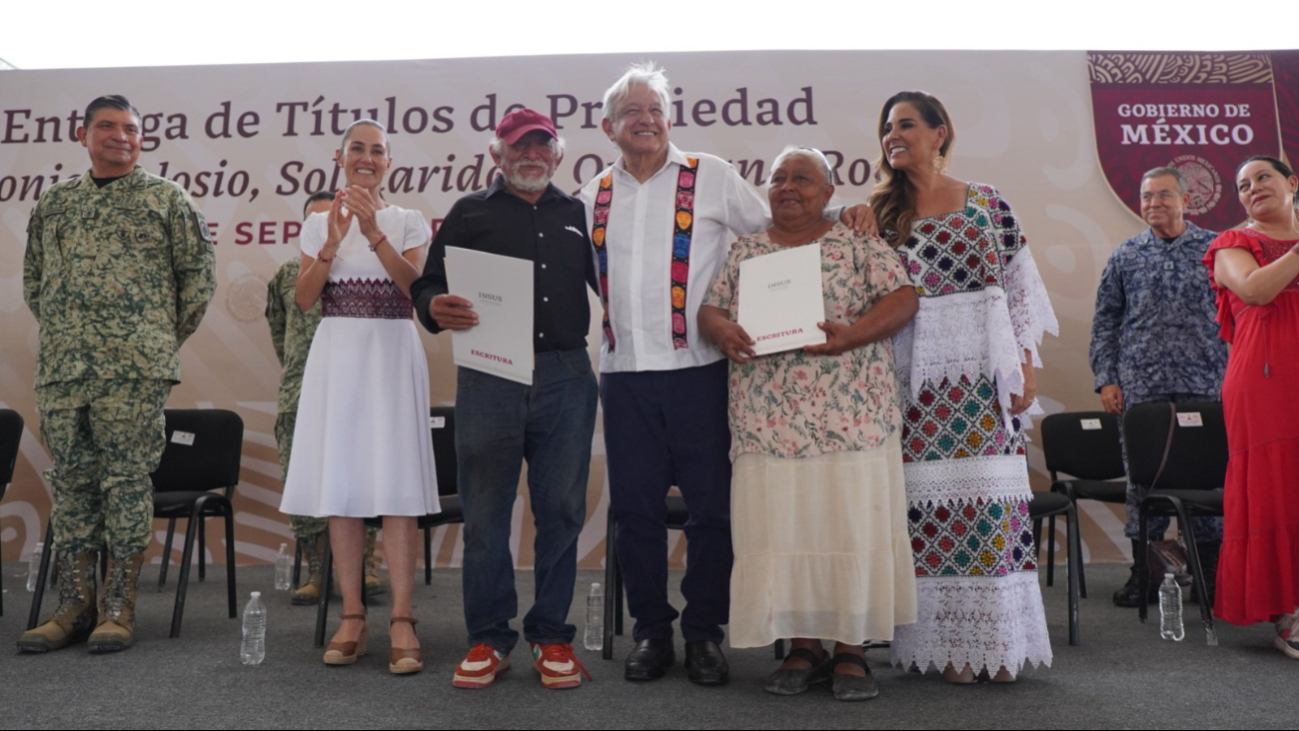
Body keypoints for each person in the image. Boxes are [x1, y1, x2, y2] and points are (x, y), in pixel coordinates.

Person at [579, 61, 868, 686]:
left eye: (656, 109)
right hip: (624, 375)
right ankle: (652, 633)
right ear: (609, 127)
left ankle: (703, 633)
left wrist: (849, 211)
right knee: (634, 514)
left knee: (713, 511)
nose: (647, 120)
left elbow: (779, 227)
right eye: (633, 112)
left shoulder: (710, 177)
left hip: (700, 372)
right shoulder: (591, 196)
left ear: (670, 119)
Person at [698, 147, 919, 701]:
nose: (788, 187)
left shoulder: (856, 239)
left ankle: (851, 650)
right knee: (785, 529)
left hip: (853, 418)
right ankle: (802, 647)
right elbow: (711, 308)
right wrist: (722, 330)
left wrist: (852, 334)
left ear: (828, 192)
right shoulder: (745, 250)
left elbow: (903, 298)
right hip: (767, 422)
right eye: (778, 179)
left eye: (802, 178)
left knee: (850, 526)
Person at [868, 91, 1057, 683]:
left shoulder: (987, 203)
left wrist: (1025, 366)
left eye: (905, 125)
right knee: (929, 512)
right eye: (886, 128)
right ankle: (948, 647)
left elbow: (1020, 288)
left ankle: (995, 644)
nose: (892, 135)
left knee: (989, 509)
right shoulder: (876, 212)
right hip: (914, 385)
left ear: (940, 133)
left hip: (984, 377)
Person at [18, 94, 216, 653]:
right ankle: (73, 606)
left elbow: (197, 282)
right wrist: (68, 334)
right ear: (83, 136)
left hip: (134, 373)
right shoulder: (55, 203)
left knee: (126, 484)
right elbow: (36, 280)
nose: (121, 136)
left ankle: (118, 609)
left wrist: (150, 342)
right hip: (62, 369)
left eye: (131, 128)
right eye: (107, 126)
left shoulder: (166, 200)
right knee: (74, 485)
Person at [410, 109, 598, 690]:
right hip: (489, 377)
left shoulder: (579, 214)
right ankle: (489, 639)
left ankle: (550, 638)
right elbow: (426, 284)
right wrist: (432, 306)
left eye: (543, 146)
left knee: (561, 512)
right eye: (520, 146)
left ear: (559, 154)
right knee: (486, 515)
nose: (532, 155)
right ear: (497, 154)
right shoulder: (470, 213)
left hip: (567, 375)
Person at [278, 119, 438, 675]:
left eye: (378, 151)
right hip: (337, 355)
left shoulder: (410, 221)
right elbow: (302, 299)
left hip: (393, 354)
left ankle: (400, 619)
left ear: (389, 161)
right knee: (341, 486)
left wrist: (372, 232)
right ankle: (351, 617)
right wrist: (331, 240)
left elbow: (414, 290)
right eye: (357, 149)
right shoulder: (318, 222)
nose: (367, 158)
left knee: (396, 488)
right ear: (339, 156)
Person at [1088, 167, 1227, 608]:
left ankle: (1210, 574)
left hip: (1206, 384)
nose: (1153, 204)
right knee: (1142, 481)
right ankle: (1144, 575)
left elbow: (1240, 315)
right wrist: (1107, 378)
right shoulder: (1126, 255)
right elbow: (1105, 322)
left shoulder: (1216, 250)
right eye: (1147, 197)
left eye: (1164, 196)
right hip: (1140, 389)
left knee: (1209, 479)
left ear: (1187, 201)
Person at [266, 191, 386, 606]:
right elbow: (280, 333)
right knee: (304, 481)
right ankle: (317, 569)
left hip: (356, 387)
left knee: (361, 476)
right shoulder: (287, 274)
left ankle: (365, 565)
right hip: (301, 391)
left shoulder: (369, 267)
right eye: (316, 221)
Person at [1203, 155, 1299, 658]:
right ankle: (1289, 611)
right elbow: (1257, 290)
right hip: (1263, 383)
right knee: (1277, 487)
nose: (1252, 188)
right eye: (1242, 184)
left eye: (1263, 177)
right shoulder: (1232, 244)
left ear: (1292, 183)